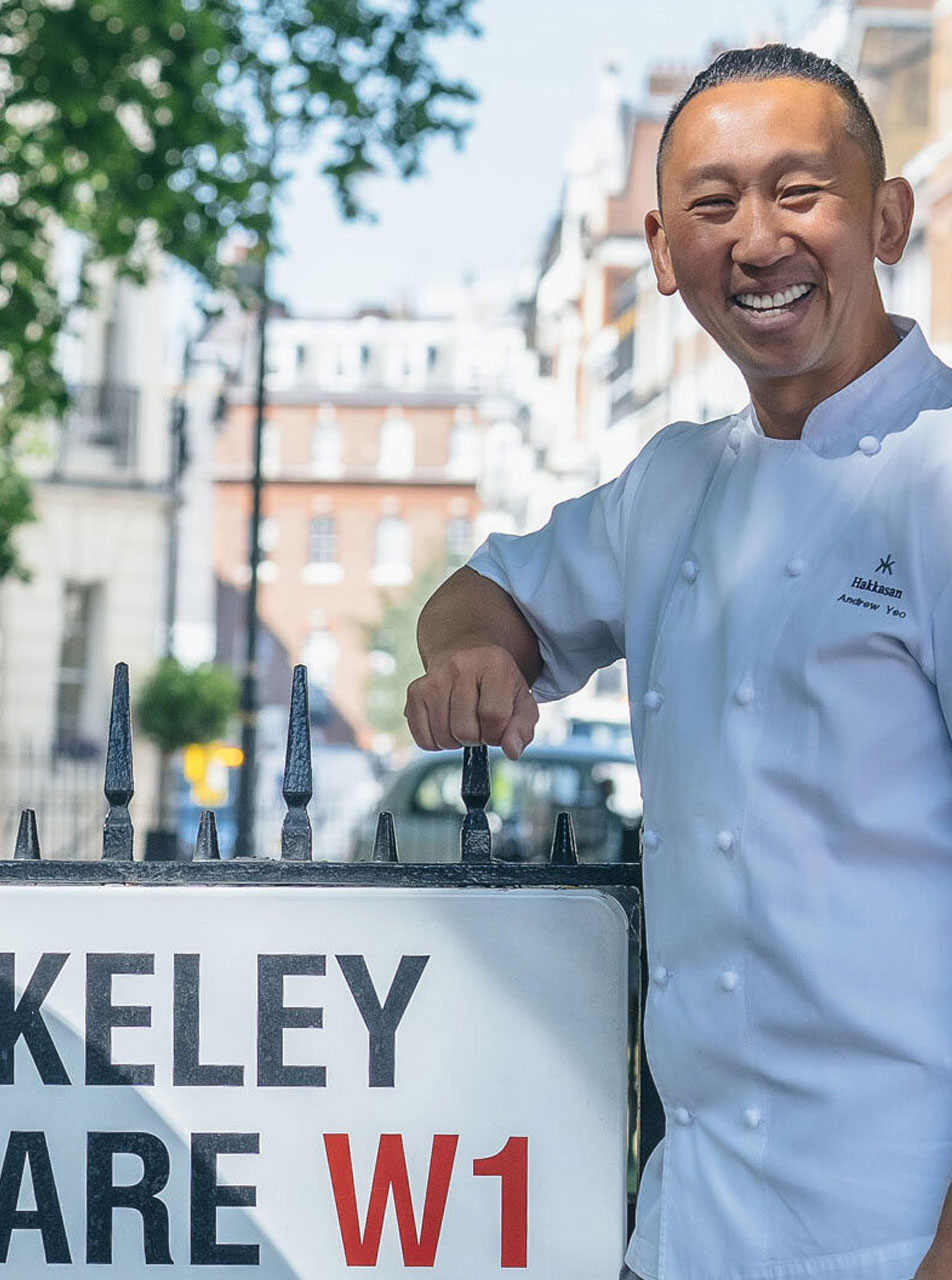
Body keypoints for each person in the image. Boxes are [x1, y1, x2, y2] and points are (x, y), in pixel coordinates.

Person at [408, 44, 952, 1280]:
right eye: (714, 205)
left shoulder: (943, 476)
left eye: (799, 190)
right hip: (691, 1229)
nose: (757, 239)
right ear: (663, 251)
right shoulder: (670, 484)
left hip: (893, 1231)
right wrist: (476, 658)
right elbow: (477, 593)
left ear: (888, 216)